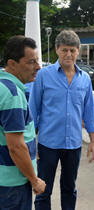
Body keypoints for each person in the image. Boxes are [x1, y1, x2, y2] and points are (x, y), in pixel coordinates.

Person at [29, 30, 94, 210]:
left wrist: (93, 142)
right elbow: (33, 110)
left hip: (73, 145)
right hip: (47, 144)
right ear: (57, 49)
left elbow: (89, 112)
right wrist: (31, 142)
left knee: (69, 189)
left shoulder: (85, 79)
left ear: (78, 51)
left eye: (73, 50)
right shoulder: (44, 75)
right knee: (43, 189)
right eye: (65, 50)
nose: (69, 54)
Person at [0, 35, 46, 209]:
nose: (38, 67)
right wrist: (34, 180)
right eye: (31, 62)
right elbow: (16, 147)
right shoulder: (12, 94)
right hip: (12, 184)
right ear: (12, 64)